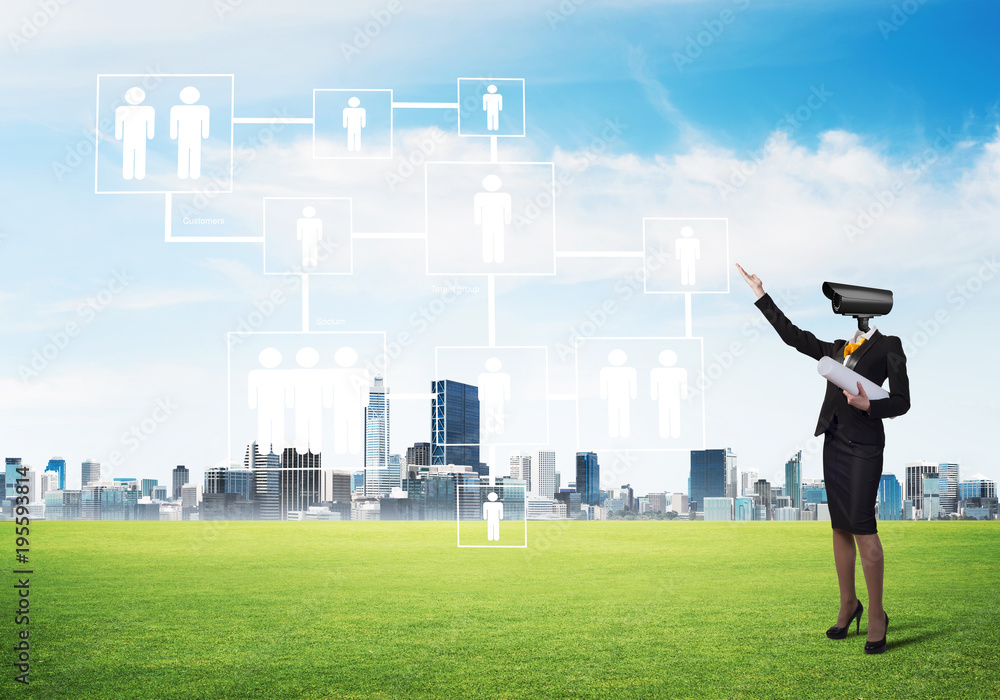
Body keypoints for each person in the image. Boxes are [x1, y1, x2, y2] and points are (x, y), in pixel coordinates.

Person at [736, 263, 910, 655]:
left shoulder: (890, 346)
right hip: (834, 443)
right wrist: (762, 295)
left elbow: (902, 401)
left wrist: (869, 405)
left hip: (865, 447)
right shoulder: (836, 348)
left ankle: (878, 615)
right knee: (840, 528)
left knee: (864, 529)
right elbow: (793, 337)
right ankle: (849, 603)